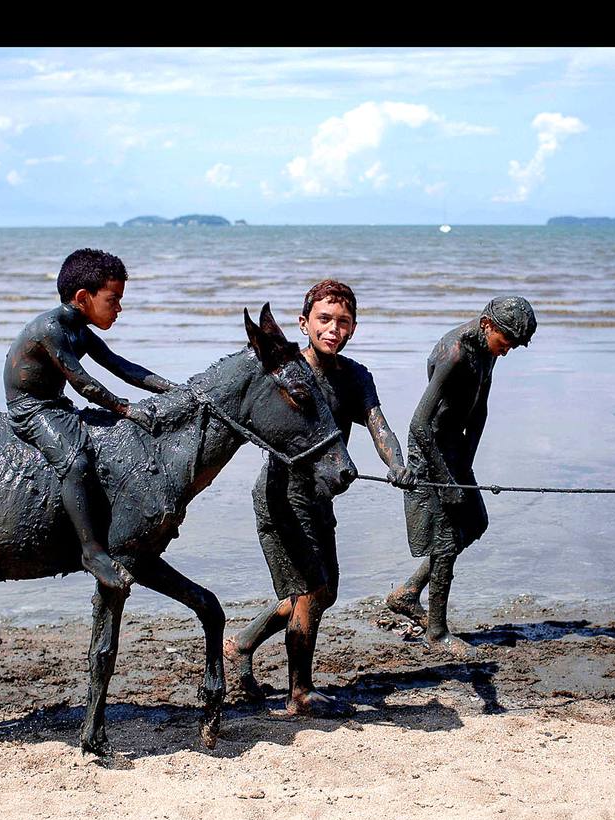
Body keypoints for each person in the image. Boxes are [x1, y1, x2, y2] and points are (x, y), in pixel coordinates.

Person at [223, 280, 416, 716]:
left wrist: (397, 465)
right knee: (311, 592)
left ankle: (241, 644)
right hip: (280, 498)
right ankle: (300, 693)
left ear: (354, 327)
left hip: (319, 500)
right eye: (324, 319)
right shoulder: (288, 374)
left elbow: (378, 426)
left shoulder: (355, 377)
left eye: (343, 322)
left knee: (320, 594)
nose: (333, 329)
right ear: (303, 322)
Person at [3, 248, 174, 592]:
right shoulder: (51, 330)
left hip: (55, 403)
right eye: (113, 300)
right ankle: (91, 551)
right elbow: (83, 383)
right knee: (76, 462)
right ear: (83, 298)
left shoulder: (80, 329)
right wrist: (126, 409)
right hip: (31, 408)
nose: (119, 309)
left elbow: (122, 367)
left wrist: (172, 389)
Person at [385, 295, 537, 657]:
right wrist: (446, 480)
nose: (507, 351)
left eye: (514, 346)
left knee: (475, 523)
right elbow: (419, 423)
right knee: (448, 539)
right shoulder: (455, 353)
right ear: (487, 326)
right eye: (507, 343)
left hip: (454, 448)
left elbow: (480, 409)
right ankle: (436, 632)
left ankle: (408, 592)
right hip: (429, 449)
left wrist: (466, 464)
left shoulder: (488, 351)